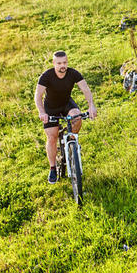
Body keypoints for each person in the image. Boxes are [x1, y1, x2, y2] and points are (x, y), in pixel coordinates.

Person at [35, 51, 97, 184]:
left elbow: (85, 89)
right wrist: (42, 112)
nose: (62, 66)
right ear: (54, 63)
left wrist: (91, 106)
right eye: (59, 63)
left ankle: (71, 144)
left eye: (64, 62)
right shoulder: (46, 76)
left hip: (66, 104)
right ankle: (52, 168)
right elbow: (38, 96)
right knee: (52, 137)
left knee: (77, 117)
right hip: (51, 108)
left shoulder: (73, 73)